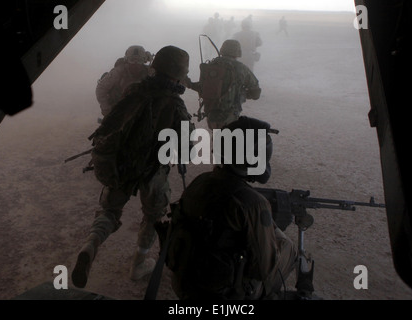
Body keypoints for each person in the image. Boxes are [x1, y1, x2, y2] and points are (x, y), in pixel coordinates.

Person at [71, 45, 195, 288]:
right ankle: (138, 264)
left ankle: (91, 245)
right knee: (153, 216)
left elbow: (113, 119)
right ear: (179, 74)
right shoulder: (176, 105)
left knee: (109, 211)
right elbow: (184, 150)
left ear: (155, 66)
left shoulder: (134, 91)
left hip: (122, 165)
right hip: (152, 172)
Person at [163, 116, 298, 300]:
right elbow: (263, 268)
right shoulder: (253, 202)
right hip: (219, 295)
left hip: (184, 283)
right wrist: (270, 228)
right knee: (288, 246)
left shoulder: (200, 181)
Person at [185, 39, 261, 130]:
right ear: (238, 52)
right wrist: (242, 94)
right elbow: (256, 93)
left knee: (217, 137)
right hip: (230, 113)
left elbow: (202, 87)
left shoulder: (211, 65)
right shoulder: (240, 68)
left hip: (211, 111)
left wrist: (189, 84)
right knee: (228, 140)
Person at [96, 45, 154, 117]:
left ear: (144, 61)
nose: (135, 64)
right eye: (132, 60)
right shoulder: (118, 72)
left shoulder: (149, 72)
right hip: (119, 109)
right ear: (127, 60)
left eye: (139, 60)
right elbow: (101, 88)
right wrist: (106, 108)